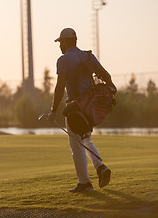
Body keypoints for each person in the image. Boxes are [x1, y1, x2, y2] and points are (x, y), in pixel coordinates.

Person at [47, 27, 116, 192]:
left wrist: (54, 110)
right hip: (89, 107)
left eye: (60, 42)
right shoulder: (88, 56)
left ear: (66, 42)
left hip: (74, 109)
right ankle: (100, 168)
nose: (59, 46)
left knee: (76, 147)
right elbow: (106, 76)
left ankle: (84, 183)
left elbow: (59, 87)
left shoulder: (63, 60)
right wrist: (111, 89)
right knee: (85, 140)